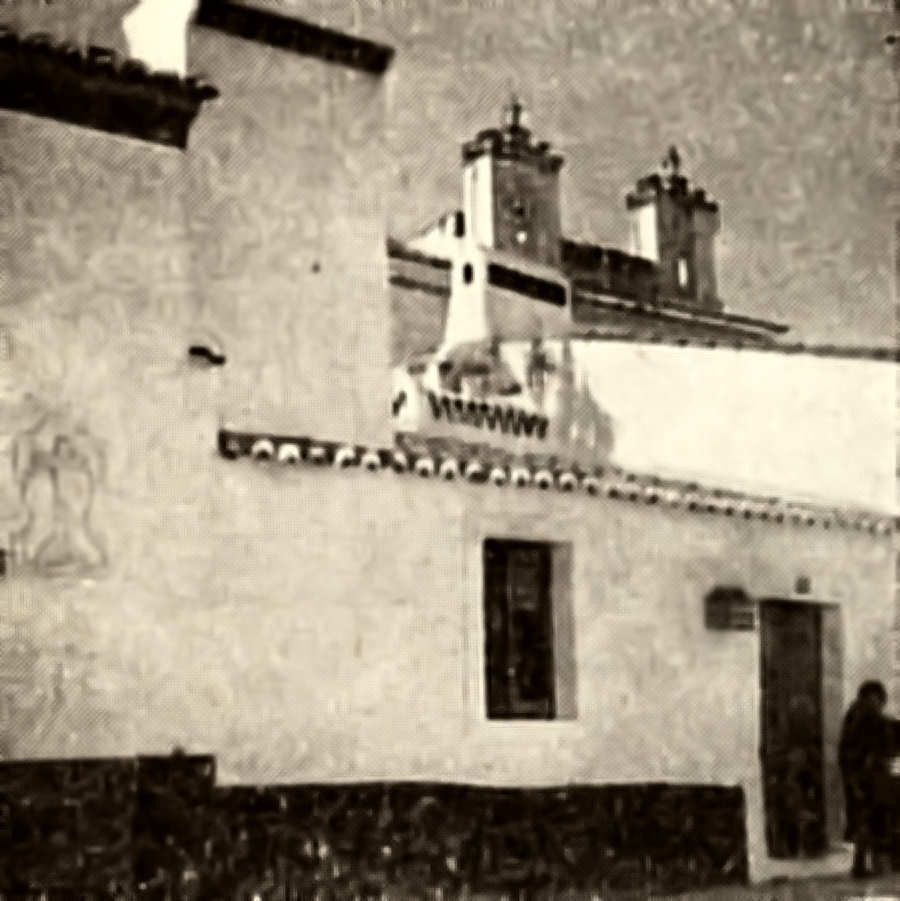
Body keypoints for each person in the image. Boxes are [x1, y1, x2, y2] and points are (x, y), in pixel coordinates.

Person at [838, 680, 893, 877]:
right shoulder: (863, 718)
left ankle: (863, 864)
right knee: (866, 819)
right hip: (863, 778)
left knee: (865, 820)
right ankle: (862, 865)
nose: (879, 704)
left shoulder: (857, 716)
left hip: (862, 777)